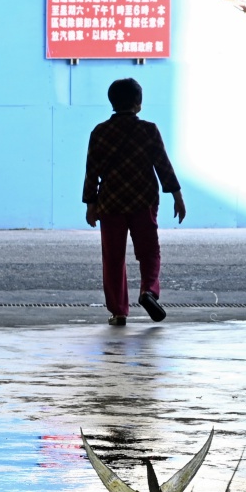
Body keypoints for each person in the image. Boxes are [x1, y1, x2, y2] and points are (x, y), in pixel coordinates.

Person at [83, 77, 186, 326]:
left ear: (112, 102)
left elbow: (92, 171)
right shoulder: (148, 130)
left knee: (114, 257)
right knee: (150, 252)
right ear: (138, 104)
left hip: (111, 204)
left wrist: (90, 204)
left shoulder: (100, 132)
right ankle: (148, 292)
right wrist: (176, 195)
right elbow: (162, 164)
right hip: (143, 201)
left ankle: (119, 312)